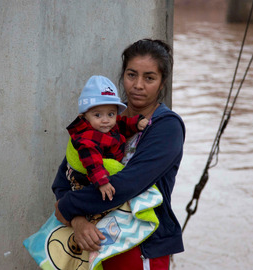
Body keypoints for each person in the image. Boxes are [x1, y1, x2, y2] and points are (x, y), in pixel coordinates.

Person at [52, 39, 185, 270]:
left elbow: (127, 184)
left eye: (149, 78)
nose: (138, 85)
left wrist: (68, 206)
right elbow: (67, 175)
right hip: (92, 245)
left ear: (162, 83)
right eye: (132, 75)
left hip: (140, 247)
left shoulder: (167, 127)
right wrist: (77, 220)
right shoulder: (103, 117)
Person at [66, 75, 148, 202]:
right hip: (93, 180)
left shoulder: (111, 125)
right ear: (84, 116)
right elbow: (93, 163)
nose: (105, 120)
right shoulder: (86, 138)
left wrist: (137, 123)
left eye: (111, 114)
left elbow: (122, 123)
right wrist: (102, 181)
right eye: (97, 115)